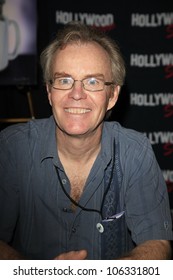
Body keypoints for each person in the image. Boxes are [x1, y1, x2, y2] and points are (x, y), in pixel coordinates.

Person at [0, 21, 172, 260]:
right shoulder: (11, 147)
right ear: (49, 92)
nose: (77, 94)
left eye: (93, 81)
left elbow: (157, 244)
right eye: (64, 80)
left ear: (112, 96)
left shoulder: (136, 152)